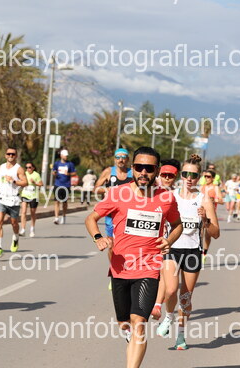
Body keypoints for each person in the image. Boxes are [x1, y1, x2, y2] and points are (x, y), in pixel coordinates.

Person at [85, 146, 183, 368]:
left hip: (149, 268)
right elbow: (91, 219)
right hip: (120, 269)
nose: (143, 172)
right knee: (125, 323)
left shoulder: (166, 198)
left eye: (149, 168)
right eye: (139, 167)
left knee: (139, 322)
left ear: (157, 170)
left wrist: (169, 240)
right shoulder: (118, 194)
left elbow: (178, 225)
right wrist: (98, 237)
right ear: (132, 168)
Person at [156, 154, 220, 350]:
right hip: (172, 249)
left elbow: (216, 233)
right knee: (170, 290)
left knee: (185, 298)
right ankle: (168, 316)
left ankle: (181, 335)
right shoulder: (170, 196)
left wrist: (205, 220)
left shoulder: (204, 200)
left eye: (193, 175)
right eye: (185, 174)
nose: (189, 178)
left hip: (192, 252)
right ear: (180, 176)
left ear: (199, 177)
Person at [151, 159, 181, 321]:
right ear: (159, 174)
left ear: (175, 177)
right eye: (164, 175)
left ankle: (157, 306)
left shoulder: (178, 194)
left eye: (171, 176)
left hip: (171, 241)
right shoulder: (152, 191)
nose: (167, 178)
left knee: (165, 274)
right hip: (152, 239)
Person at [0, 147, 28, 257]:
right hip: (2, 198)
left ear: (16, 156)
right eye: (9, 154)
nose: (10, 156)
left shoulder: (19, 169)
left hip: (13, 199)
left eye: (13, 154)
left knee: (14, 223)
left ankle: (15, 238)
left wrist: (14, 181)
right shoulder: (0, 167)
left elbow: (25, 183)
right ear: (5, 155)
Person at [94, 148, 133, 237]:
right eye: (118, 157)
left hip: (127, 210)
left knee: (125, 237)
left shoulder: (132, 173)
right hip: (111, 210)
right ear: (115, 159)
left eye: (123, 157)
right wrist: (108, 189)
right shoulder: (109, 171)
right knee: (111, 239)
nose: (120, 160)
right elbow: (96, 189)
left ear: (127, 159)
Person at [200, 169, 222, 258]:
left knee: (208, 234)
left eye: (208, 176)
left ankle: (204, 252)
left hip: (211, 212)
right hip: (201, 212)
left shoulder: (215, 187)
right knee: (200, 231)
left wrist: (213, 200)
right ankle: (199, 249)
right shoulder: (202, 187)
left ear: (213, 178)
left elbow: (221, 200)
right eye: (205, 176)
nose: (206, 178)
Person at [52, 149, 76, 224]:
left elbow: (74, 173)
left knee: (64, 202)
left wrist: (68, 174)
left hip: (66, 185)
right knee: (56, 201)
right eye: (65, 155)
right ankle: (56, 218)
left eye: (67, 156)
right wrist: (54, 173)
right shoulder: (57, 163)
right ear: (61, 156)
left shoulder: (70, 164)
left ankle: (64, 216)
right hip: (57, 184)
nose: (66, 157)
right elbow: (53, 171)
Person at [19, 162, 43, 237]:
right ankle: (23, 229)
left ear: (33, 168)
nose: (28, 169)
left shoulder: (36, 175)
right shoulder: (24, 174)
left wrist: (34, 182)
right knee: (23, 212)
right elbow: (21, 182)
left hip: (34, 196)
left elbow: (41, 184)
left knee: (32, 213)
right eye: (26, 167)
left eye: (29, 167)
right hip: (25, 195)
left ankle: (32, 229)